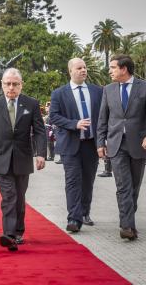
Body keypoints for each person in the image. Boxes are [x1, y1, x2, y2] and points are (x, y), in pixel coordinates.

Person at [97, 54, 146, 241]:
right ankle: (126, 226)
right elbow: (103, 119)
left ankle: (128, 220)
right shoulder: (108, 90)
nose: (110, 71)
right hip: (116, 145)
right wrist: (100, 143)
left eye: (113, 67)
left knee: (134, 186)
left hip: (139, 144)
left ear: (124, 69)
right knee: (123, 186)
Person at [0, 68, 47, 251]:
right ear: (2, 84)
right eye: (7, 84)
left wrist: (41, 153)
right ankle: (9, 235)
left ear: (21, 85)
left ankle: (18, 231)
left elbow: (40, 131)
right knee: (9, 196)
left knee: (19, 197)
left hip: (23, 159)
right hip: (0, 159)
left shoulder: (31, 104)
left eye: (15, 84)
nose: (11, 87)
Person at [50, 58, 103, 232]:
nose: (83, 70)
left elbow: (104, 117)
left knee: (88, 180)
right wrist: (75, 124)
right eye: (79, 68)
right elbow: (54, 117)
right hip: (71, 144)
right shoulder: (59, 93)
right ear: (70, 71)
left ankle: (85, 212)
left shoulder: (97, 91)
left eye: (85, 67)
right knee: (73, 181)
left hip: (91, 144)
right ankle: (74, 218)